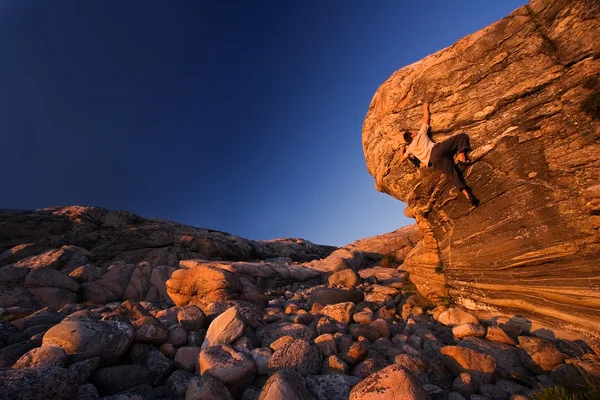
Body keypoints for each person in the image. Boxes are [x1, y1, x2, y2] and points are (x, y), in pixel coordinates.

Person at [399, 102, 479, 206]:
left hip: (434, 161)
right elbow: (426, 119)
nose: (414, 131)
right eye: (412, 131)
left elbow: (402, 159)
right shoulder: (420, 134)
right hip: (437, 150)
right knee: (461, 137)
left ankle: (467, 194)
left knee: (452, 175)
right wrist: (425, 108)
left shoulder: (410, 148)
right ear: (412, 135)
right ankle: (462, 158)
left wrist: (402, 150)